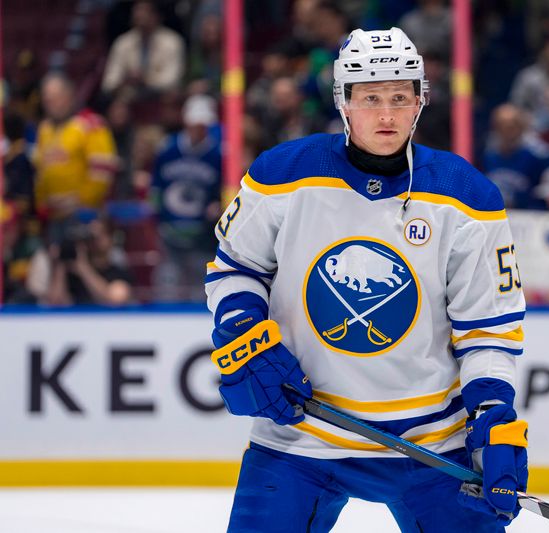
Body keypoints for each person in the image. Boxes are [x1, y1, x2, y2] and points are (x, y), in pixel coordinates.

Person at [206, 27, 528, 532]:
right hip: (301, 437)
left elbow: (487, 327)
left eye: (400, 98)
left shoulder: (465, 196)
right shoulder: (282, 175)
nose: (385, 115)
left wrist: (492, 414)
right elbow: (234, 268)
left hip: (432, 445)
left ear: (420, 101)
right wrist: (244, 332)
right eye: (371, 97)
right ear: (344, 102)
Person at [151, 94, 222, 302]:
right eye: (195, 124)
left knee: (201, 289)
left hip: (202, 235)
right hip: (170, 233)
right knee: (168, 285)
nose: (198, 129)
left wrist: (218, 206)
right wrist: (158, 217)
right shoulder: (167, 149)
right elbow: (155, 188)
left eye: (203, 125)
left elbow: (222, 192)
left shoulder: (218, 154)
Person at [33, 73, 118, 224]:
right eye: (47, 99)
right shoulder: (44, 129)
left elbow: (102, 172)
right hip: (52, 216)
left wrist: (82, 203)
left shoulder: (91, 125)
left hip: (84, 215)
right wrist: (41, 204)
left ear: (70, 96)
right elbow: (40, 171)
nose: (50, 103)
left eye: (56, 97)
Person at [101, 0, 186, 98]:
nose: (139, 15)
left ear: (157, 16)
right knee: (116, 104)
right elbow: (108, 83)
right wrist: (125, 80)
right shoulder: (123, 42)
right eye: (136, 10)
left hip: (159, 98)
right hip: (128, 97)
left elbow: (172, 81)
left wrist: (145, 79)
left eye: (144, 10)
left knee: (171, 96)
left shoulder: (172, 42)